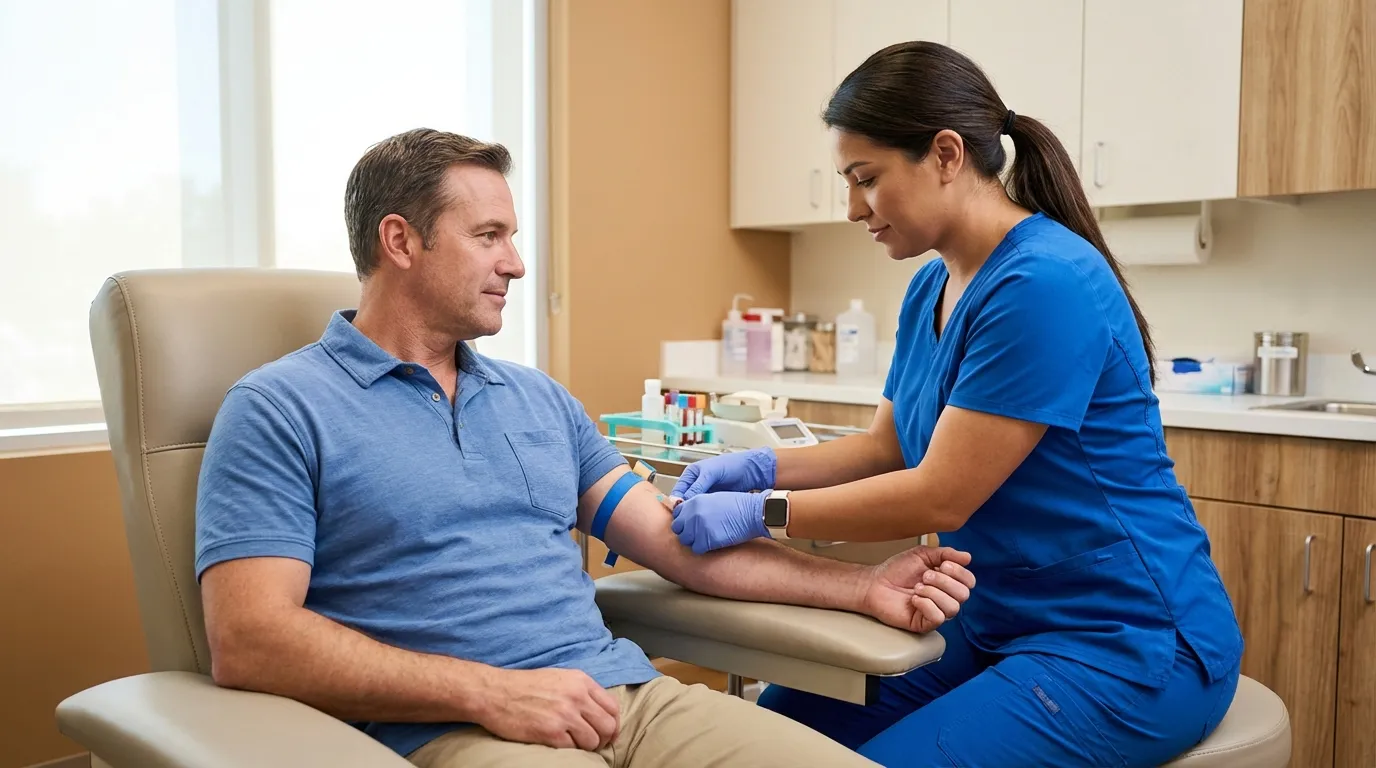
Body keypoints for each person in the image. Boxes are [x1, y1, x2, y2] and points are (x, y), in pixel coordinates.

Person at [194, 127, 977, 768]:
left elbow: (675, 544)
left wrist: (861, 586)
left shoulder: (536, 400)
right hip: (459, 729)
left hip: (628, 700)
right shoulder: (280, 409)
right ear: (400, 240)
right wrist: (490, 693)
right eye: (488, 236)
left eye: (512, 237)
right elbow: (248, 640)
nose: (515, 263)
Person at [669, 42, 1244, 768]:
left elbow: (938, 494)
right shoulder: (931, 286)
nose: (852, 208)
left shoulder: (1043, 283)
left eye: (866, 179)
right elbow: (885, 449)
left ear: (945, 154)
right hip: (994, 617)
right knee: (774, 735)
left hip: (1123, 640)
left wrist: (763, 512)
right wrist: (755, 466)